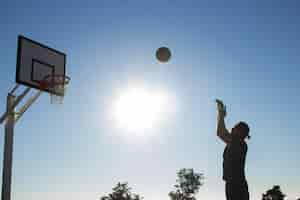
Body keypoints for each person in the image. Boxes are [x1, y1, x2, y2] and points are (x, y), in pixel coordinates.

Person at [216, 99, 250, 200]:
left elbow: (221, 132)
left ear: (239, 132)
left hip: (236, 185)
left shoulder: (239, 143)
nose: (232, 129)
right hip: (234, 184)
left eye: (234, 128)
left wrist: (221, 114)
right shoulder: (238, 143)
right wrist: (220, 115)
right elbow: (222, 131)